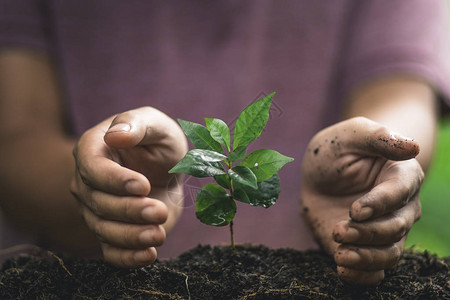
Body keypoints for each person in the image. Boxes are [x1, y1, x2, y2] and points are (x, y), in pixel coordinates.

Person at [0, 0, 449, 285]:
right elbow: (15, 135)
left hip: (325, 271)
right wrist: (104, 178)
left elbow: (401, 92)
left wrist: (373, 159)